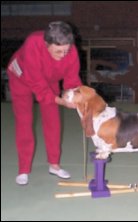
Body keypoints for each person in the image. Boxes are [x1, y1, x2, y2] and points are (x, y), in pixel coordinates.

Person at [7, 21, 82, 185]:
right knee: (24, 121)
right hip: (21, 77)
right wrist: (61, 101)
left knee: (53, 121)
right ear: (46, 44)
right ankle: (23, 169)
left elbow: (72, 81)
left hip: (49, 79)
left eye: (66, 50)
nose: (63, 55)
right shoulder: (33, 43)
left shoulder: (71, 52)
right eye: (58, 51)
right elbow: (38, 85)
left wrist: (76, 98)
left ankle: (54, 165)